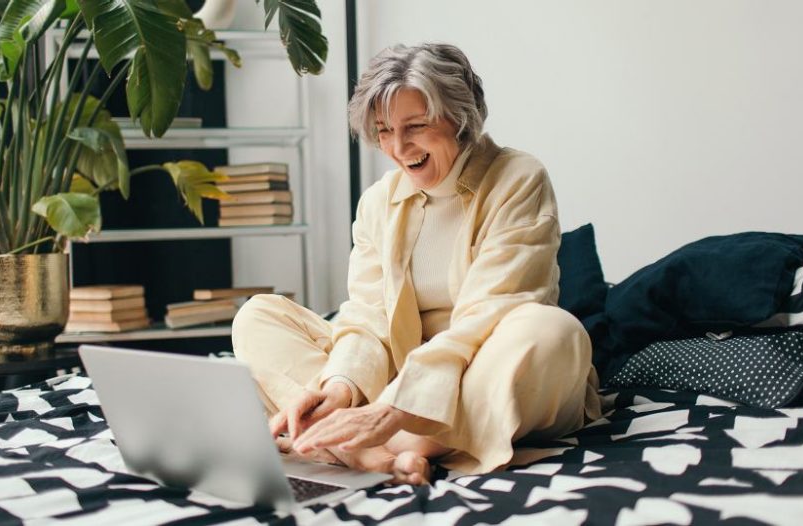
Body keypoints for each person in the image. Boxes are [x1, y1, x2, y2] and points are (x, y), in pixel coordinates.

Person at [231, 43, 600, 485]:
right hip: (395, 381)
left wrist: (391, 411)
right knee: (257, 315)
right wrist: (339, 388)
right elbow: (368, 317)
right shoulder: (377, 202)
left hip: (481, 368)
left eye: (416, 126)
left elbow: (491, 312)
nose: (397, 146)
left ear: (460, 116)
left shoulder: (518, 178)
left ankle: (365, 444)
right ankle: (361, 442)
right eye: (384, 130)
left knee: (554, 332)